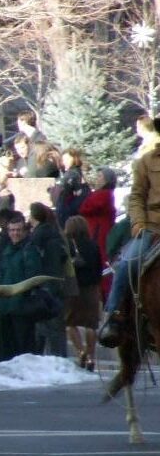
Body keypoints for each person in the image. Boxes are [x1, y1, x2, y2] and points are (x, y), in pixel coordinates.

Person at [99, 117, 160, 347]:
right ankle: (114, 314)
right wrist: (139, 223)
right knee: (128, 261)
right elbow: (136, 197)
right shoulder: (146, 162)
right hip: (153, 226)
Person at [0, 213, 40, 364]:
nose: (15, 233)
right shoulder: (7, 250)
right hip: (6, 306)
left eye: (18, 230)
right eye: (12, 230)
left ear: (24, 231)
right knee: (10, 347)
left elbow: (33, 276)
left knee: (24, 346)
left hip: (22, 306)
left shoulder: (29, 250)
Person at [26, 202, 69, 357]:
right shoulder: (54, 233)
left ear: (33, 216)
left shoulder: (38, 236)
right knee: (54, 327)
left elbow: (33, 259)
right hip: (56, 282)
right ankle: (58, 359)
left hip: (45, 284)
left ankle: (54, 361)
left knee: (47, 326)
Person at [63, 216, 102, 371]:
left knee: (70, 323)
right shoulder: (93, 245)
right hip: (91, 289)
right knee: (91, 325)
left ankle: (80, 352)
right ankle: (91, 357)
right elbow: (99, 267)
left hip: (74, 289)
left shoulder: (68, 246)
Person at [78, 167, 118, 264]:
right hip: (97, 230)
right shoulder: (102, 194)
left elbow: (85, 209)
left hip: (99, 232)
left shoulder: (103, 194)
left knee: (100, 258)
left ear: (106, 180)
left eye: (100, 176)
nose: (97, 178)